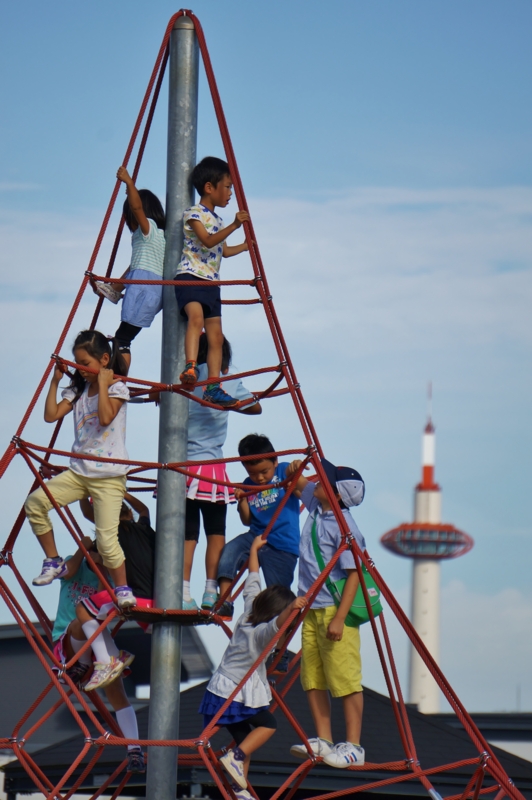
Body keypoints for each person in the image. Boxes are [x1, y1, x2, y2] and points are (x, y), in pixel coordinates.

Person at [24, 330, 137, 610]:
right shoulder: (78, 390)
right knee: (36, 502)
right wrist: (55, 381)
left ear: (104, 360)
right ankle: (53, 560)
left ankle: (122, 587)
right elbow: (51, 415)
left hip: (109, 476)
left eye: (84, 363)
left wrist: (103, 383)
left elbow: (106, 416)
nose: (80, 369)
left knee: (107, 541)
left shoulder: (117, 387)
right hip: (79, 471)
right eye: (77, 363)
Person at [199, 537, 306, 797]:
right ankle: (235, 761)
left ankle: (239, 788)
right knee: (267, 724)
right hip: (234, 694)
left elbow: (253, 579)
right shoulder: (262, 634)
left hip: (220, 691)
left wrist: (255, 550)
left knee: (245, 742)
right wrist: (292, 608)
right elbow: (277, 625)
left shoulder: (249, 612)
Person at [288, 458, 367, 768]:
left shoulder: (345, 527)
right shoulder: (319, 506)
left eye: (325, 479)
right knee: (313, 677)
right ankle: (323, 739)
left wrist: (339, 617)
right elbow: (296, 482)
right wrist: (296, 468)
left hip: (335, 610)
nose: (318, 480)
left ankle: (355, 746)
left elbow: (354, 574)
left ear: (335, 494)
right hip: (310, 607)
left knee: (345, 679)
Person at [50, 537, 145, 772]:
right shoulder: (75, 565)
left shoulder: (109, 577)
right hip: (68, 639)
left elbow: (102, 609)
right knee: (78, 620)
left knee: (117, 693)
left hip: (97, 644)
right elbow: (68, 570)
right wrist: (82, 550)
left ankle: (134, 749)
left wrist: (102, 566)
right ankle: (91, 662)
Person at [183, 333, 261, 612]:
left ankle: (182, 590)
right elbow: (256, 407)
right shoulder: (227, 382)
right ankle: (210, 590)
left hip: (183, 467)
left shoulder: (185, 380)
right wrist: (230, 400)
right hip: (212, 470)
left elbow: (158, 397)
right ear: (224, 363)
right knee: (216, 532)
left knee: (186, 535)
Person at [175, 156, 250, 407]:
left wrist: (246, 246)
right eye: (227, 187)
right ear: (209, 188)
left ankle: (213, 386)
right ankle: (191, 366)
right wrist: (235, 226)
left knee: (216, 337)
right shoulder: (194, 214)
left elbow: (223, 251)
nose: (230, 193)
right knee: (196, 320)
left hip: (211, 283)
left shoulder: (218, 221)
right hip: (191, 277)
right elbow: (207, 241)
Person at [217, 435, 301, 620]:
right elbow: (247, 520)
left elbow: (298, 481)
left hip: (282, 545)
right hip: (256, 536)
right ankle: (225, 601)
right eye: (253, 473)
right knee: (229, 552)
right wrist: (243, 500)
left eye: (264, 471)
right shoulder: (248, 485)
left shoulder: (283, 471)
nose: (260, 478)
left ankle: (280, 641)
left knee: (278, 596)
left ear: (275, 461)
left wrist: (296, 468)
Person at [95, 167, 166, 373]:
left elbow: (137, 208)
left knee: (123, 339)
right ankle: (114, 290)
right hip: (146, 285)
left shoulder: (149, 229)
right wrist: (113, 286)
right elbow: (135, 266)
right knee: (122, 338)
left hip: (145, 289)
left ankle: (120, 378)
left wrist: (129, 183)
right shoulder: (155, 237)